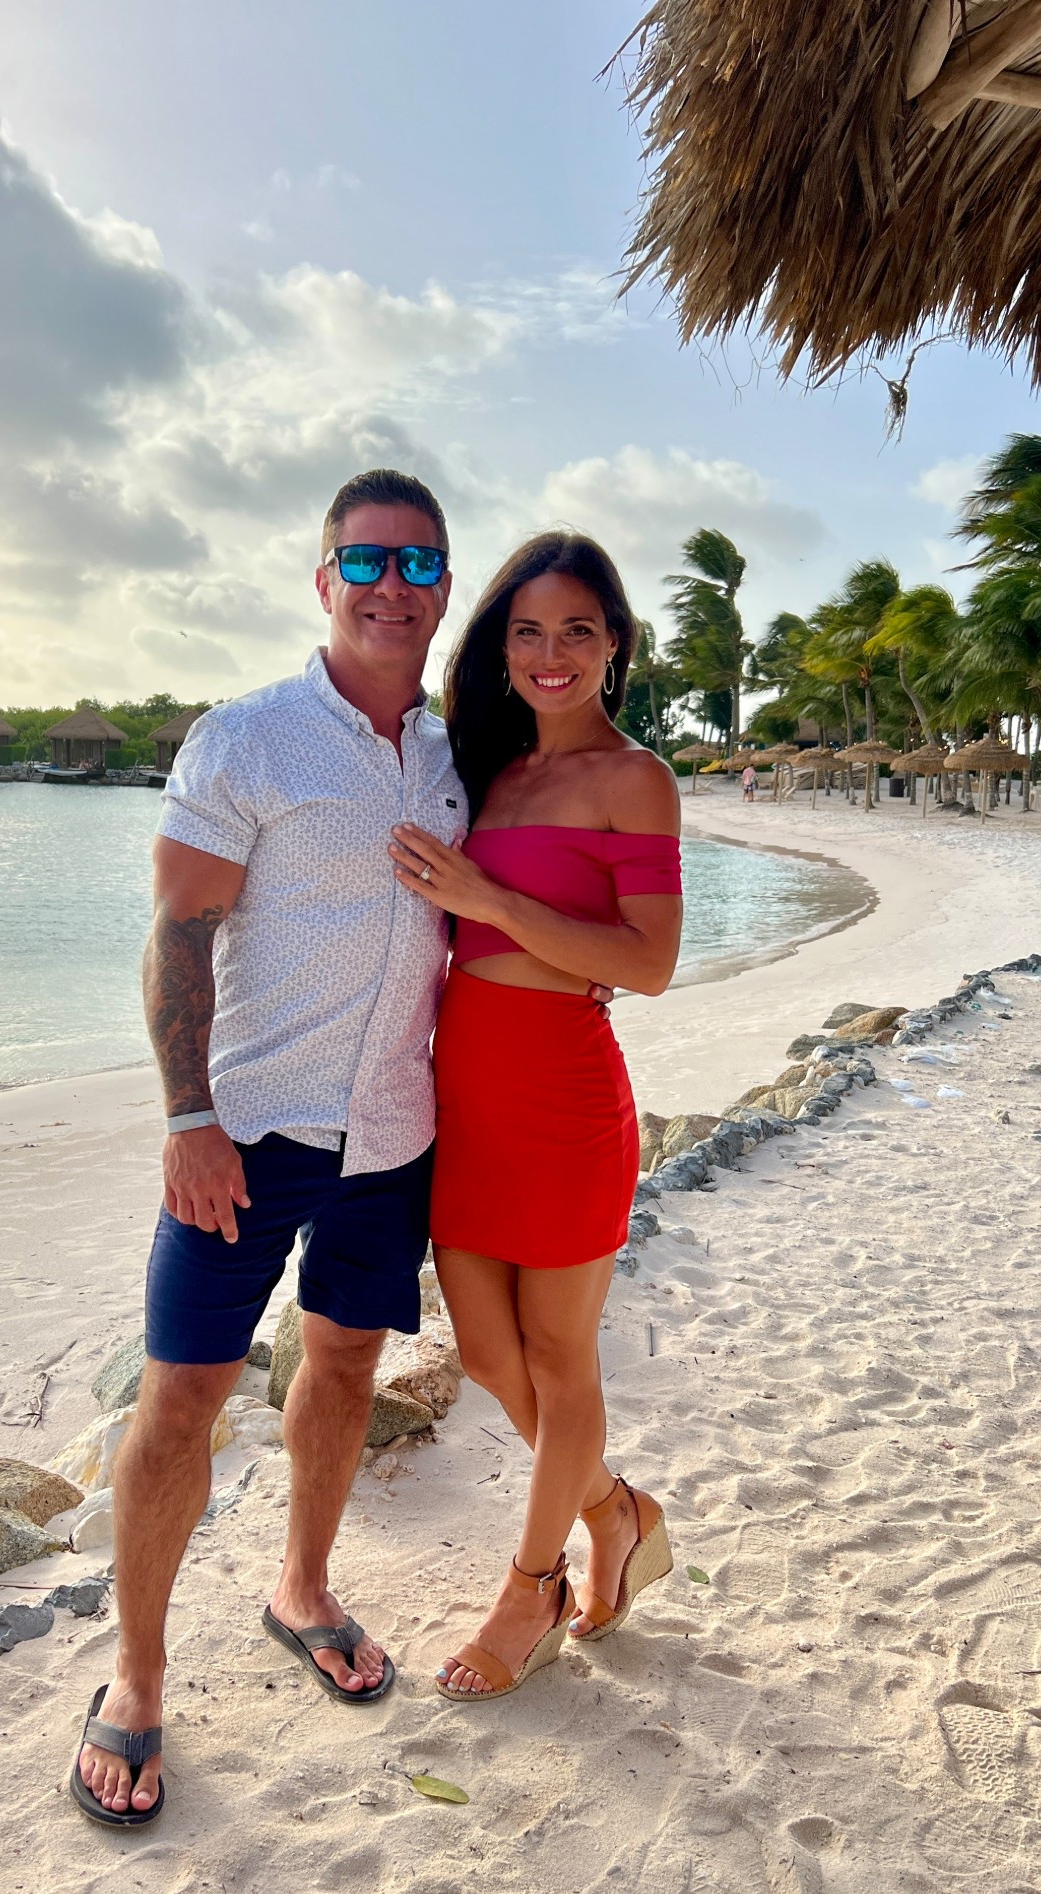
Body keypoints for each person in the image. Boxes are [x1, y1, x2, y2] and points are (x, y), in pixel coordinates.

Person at [71, 470, 464, 1825]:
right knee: (180, 1398)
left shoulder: (454, 759)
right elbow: (178, 932)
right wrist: (186, 1119)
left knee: (346, 1364)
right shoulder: (247, 739)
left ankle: (301, 1586)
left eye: (419, 565)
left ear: (445, 589)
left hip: (393, 1135)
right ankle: (137, 1674)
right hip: (244, 1133)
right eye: (367, 561)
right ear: (324, 580)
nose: (392, 586)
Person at [388, 533, 683, 1698]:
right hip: (465, 1095)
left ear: (613, 643)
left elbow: (649, 961)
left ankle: (531, 1586)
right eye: (527, 630)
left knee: (561, 1359)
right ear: (500, 645)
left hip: (565, 1098)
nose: (550, 652)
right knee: (486, 1353)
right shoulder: (485, 765)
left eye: (575, 629)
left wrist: (490, 898)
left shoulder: (634, 778)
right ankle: (616, 1510)